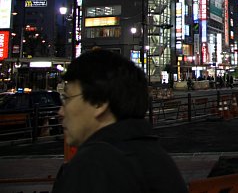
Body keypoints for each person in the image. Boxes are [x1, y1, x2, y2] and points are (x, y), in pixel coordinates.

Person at [52, 49, 187, 193]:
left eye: (67, 98)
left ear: (99, 103)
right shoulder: (157, 158)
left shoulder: (93, 165)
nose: (60, 112)